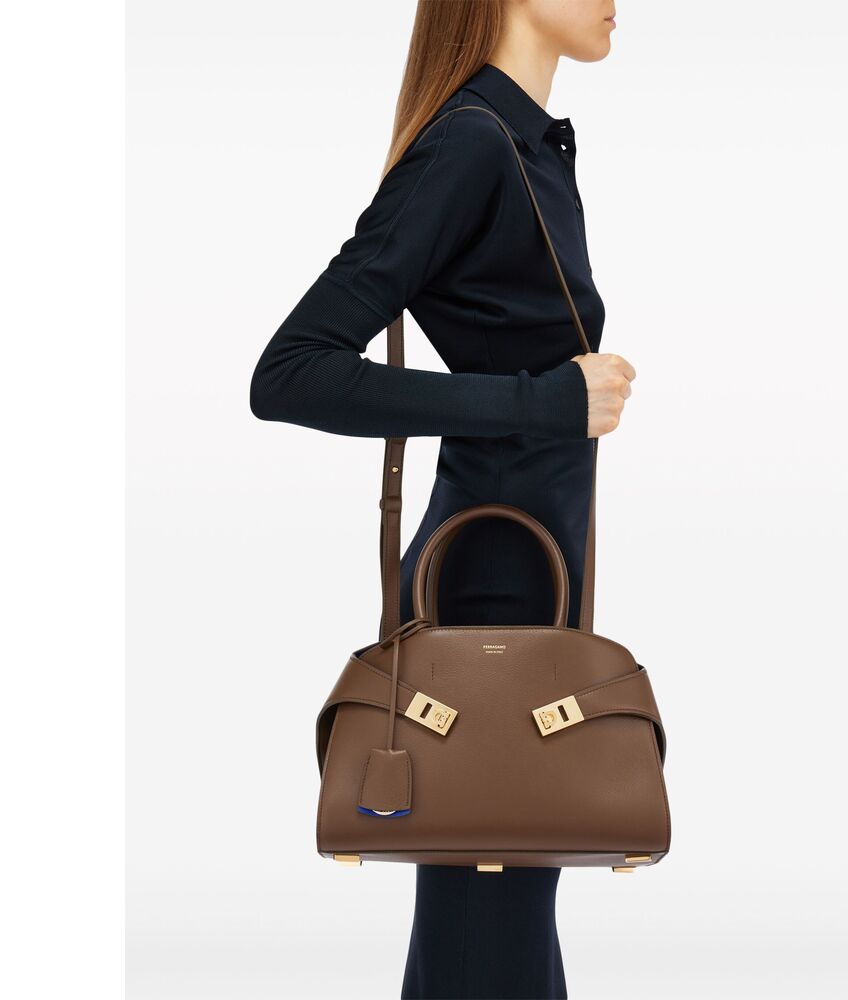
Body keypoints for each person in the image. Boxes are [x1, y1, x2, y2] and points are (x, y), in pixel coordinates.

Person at [249, 2, 633, 996]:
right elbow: (290, 371)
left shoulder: (525, 143)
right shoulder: (472, 143)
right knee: (487, 935)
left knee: (503, 932)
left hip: (531, 584)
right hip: (487, 599)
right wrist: (541, 402)